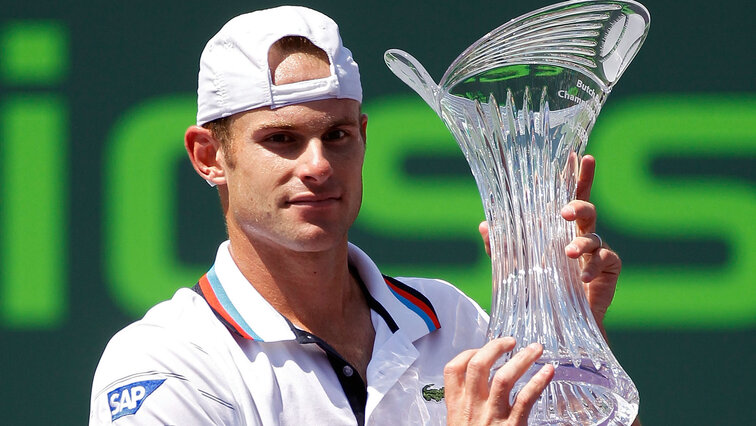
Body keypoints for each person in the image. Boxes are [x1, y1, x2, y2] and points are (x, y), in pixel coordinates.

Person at [89, 6, 623, 425]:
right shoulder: (167, 364)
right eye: (282, 140)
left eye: (337, 136)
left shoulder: (452, 317)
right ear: (209, 157)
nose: (318, 165)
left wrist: (573, 347)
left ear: (363, 138)